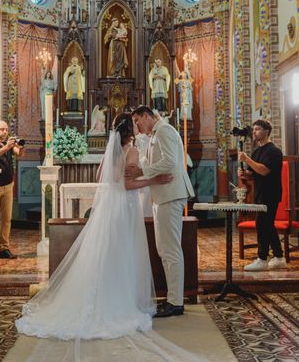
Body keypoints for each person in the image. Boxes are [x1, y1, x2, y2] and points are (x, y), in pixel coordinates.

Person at [15, 113, 176, 345]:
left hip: (112, 207)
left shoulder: (113, 150)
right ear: (129, 129)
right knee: (124, 252)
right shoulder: (131, 150)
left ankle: (104, 296)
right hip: (125, 208)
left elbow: (102, 176)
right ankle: (121, 301)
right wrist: (155, 180)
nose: (137, 126)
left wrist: (121, 180)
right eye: (134, 124)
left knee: (108, 252)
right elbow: (129, 184)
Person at [126, 105, 195, 318]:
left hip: (170, 194)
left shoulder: (165, 130)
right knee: (164, 249)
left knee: (170, 249)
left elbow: (170, 161)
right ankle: (172, 298)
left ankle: (176, 302)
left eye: (137, 121)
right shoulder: (154, 135)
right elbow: (152, 161)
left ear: (147, 116)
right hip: (162, 195)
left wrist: (142, 170)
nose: (136, 126)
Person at [237, 119, 286, 271]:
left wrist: (247, 159)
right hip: (260, 193)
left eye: (258, 129)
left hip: (270, 193)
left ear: (266, 131)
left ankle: (262, 259)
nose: (254, 132)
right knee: (267, 225)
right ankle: (279, 257)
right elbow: (254, 173)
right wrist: (244, 173)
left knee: (263, 224)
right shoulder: (257, 151)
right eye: (254, 129)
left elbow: (264, 170)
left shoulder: (274, 151)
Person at [0, 120, 24, 259]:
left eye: (6, 129)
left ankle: (4, 249)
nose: (5, 132)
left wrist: (20, 146)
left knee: (6, 219)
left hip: (8, 185)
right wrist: (6, 147)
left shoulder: (8, 144)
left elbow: (19, 153)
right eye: (2, 129)